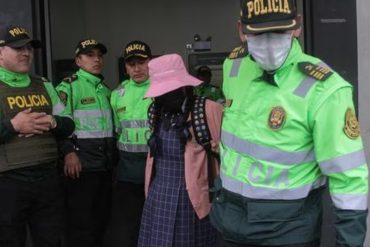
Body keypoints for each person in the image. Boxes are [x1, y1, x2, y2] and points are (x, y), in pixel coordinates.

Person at [210, 0, 369, 246]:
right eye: (259, 33)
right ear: (241, 29)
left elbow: (348, 176)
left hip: (287, 233)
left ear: (297, 27)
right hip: (229, 223)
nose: (269, 42)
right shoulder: (233, 66)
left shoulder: (325, 89)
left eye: (280, 31)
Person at [0, 24, 74, 247]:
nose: (26, 53)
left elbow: (69, 125)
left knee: (51, 239)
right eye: (18, 48)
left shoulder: (43, 84)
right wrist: (14, 126)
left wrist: (53, 122)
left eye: (29, 48)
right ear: (1, 51)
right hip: (8, 181)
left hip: (47, 177)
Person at [138, 53, 223, 247]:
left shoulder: (208, 110)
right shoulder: (156, 111)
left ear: (184, 86)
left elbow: (225, 153)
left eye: (172, 90)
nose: (166, 96)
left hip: (194, 198)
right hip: (158, 194)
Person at [56, 38, 115, 247]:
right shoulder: (68, 87)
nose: (96, 59)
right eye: (90, 55)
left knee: (102, 221)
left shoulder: (106, 90)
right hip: (81, 167)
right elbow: (58, 125)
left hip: (106, 166)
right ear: (78, 61)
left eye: (99, 55)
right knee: (81, 224)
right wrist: (69, 153)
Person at [107, 40, 152, 247]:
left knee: (154, 223)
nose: (137, 68)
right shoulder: (117, 94)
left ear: (150, 62)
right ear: (125, 67)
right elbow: (117, 132)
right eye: (131, 64)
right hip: (127, 172)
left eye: (141, 62)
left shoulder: (161, 89)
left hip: (155, 170)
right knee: (129, 225)